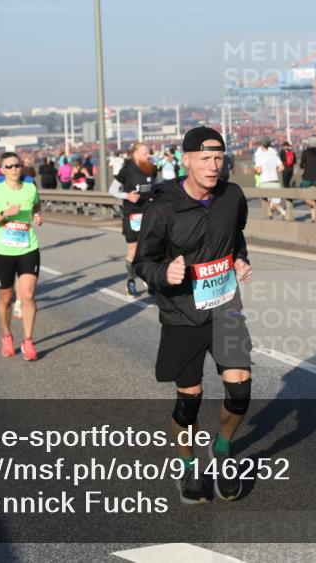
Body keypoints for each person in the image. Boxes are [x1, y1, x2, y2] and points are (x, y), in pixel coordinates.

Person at [133, 126, 254, 504]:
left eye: (218, 158)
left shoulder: (232, 196)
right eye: (204, 159)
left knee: (240, 389)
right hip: (182, 314)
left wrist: (240, 259)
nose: (213, 166)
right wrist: (163, 274)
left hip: (225, 308)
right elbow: (143, 262)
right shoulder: (162, 209)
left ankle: (222, 449)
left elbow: (236, 235)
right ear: (186, 161)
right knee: (190, 402)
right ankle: (187, 466)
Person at [0, 151, 44, 360]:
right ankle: (7, 335)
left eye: (17, 165)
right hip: (3, 251)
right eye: (9, 166)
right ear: (2, 170)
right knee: (6, 297)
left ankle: (28, 340)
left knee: (28, 294)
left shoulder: (30, 188)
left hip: (28, 248)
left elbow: (36, 205)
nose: (14, 169)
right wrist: (4, 214)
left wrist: (37, 215)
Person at [109, 143, 157, 297]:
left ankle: (148, 279)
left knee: (150, 247)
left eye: (148, 153)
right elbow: (112, 190)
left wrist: (156, 196)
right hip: (133, 214)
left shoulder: (152, 168)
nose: (148, 156)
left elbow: (157, 186)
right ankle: (131, 281)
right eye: (144, 153)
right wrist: (127, 196)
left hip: (149, 213)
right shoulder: (126, 170)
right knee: (134, 249)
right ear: (135, 154)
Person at [253, 136, 283, 217]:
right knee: (276, 201)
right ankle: (283, 212)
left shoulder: (259, 156)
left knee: (266, 200)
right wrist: (274, 170)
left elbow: (258, 171)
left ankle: (269, 215)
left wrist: (255, 170)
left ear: (262, 145)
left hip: (265, 181)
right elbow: (282, 168)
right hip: (275, 180)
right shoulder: (274, 155)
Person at [299, 136, 316, 210]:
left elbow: (302, 165)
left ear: (309, 143)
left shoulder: (305, 153)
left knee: (305, 196)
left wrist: (303, 166)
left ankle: (315, 206)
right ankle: (314, 216)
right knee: (315, 197)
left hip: (307, 178)